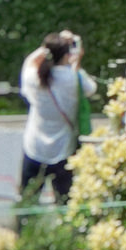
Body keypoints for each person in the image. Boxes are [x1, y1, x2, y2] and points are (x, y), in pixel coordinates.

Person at [19, 31, 95, 203]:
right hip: (63, 150)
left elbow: (29, 63)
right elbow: (91, 88)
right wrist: (77, 63)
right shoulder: (74, 78)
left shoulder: (34, 77)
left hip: (34, 147)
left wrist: (46, 47)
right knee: (65, 203)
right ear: (68, 54)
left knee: (27, 202)